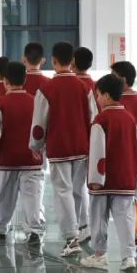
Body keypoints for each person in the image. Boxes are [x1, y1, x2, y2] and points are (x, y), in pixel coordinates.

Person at [31, 42, 95, 257]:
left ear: (53, 60)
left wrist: (36, 146)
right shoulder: (84, 87)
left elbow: (39, 124)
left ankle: (71, 237)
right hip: (82, 146)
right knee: (78, 189)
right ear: (72, 61)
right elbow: (93, 118)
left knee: (63, 191)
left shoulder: (46, 89)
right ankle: (83, 227)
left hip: (59, 147)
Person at [81, 74, 137, 272]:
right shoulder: (130, 118)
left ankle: (100, 254)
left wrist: (95, 178)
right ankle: (129, 256)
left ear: (107, 95)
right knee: (125, 218)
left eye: (98, 95)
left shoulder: (101, 120)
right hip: (126, 178)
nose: (97, 99)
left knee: (98, 217)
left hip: (104, 180)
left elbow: (97, 151)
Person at [0, 61, 44, 243]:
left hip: (6, 160)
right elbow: (41, 130)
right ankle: (33, 230)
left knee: (4, 196)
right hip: (32, 159)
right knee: (33, 197)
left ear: (5, 81)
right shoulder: (36, 102)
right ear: (24, 79)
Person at [111, 60, 137, 253]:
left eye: (114, 76)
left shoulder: (114, 104)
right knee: (136, 194)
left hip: (117, 157)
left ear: (123, 80)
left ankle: (128, 236)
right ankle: (136, 234)